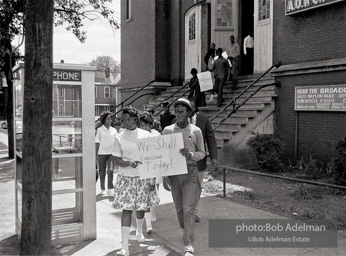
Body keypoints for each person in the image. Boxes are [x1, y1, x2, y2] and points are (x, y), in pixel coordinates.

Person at [112, 106, 160, 256]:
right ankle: (124, 247)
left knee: (140, 208)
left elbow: (153, 158)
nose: (124, 122)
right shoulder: (119, 136)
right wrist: (128, 163)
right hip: (126, 178)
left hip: (143, 178)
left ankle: (139, 231)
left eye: (127, 119)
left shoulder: (146, 136)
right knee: (126, 210)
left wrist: (152, 180)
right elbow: (116, 159)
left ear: (134, 119)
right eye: (122, 120)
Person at [162, 98, 205, 256]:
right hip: (174, 175)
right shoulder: (167, 131)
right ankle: (186, 229)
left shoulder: (196, 131)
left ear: (188, 112)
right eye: (176, 111)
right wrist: (164, 176)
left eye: (182, 112)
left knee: (189, 210)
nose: (179, 115)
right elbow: (163, 154)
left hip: (190, 173)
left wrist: (192, 155)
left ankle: (188, 245)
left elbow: (202, 152)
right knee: (179, 209)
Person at [189, 101, 219, 223]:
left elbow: (210, 139)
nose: (188, 109)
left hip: (199, 161)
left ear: (196, 108)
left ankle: (193, 212)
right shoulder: (179, 120)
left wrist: (214, 157)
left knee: (196, 187)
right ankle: (187, 210)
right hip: (183, 161)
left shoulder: (204, 120)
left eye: (191, 107)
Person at [139, 112, 162, 233]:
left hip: (155, 165)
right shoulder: (139, 135)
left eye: (145, 125)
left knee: (155, 189)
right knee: (145, 190)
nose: (143, 128)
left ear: (150, 125)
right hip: (144, 166)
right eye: (141, 125)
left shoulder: (156, 134)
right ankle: (146, 213)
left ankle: (152, 212)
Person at [95, 111, 118, 197]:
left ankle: (110, 189)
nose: (110, 120)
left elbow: (117, 141)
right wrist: (96, 154)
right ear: (104, 120)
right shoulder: (100, 130)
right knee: (102, 171)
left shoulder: (114, 130)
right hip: (101, 153)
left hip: (111, 153)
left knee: (110, 170)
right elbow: (97, 141)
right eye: (107, 119)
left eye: (110, 119)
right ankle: (102, 189)